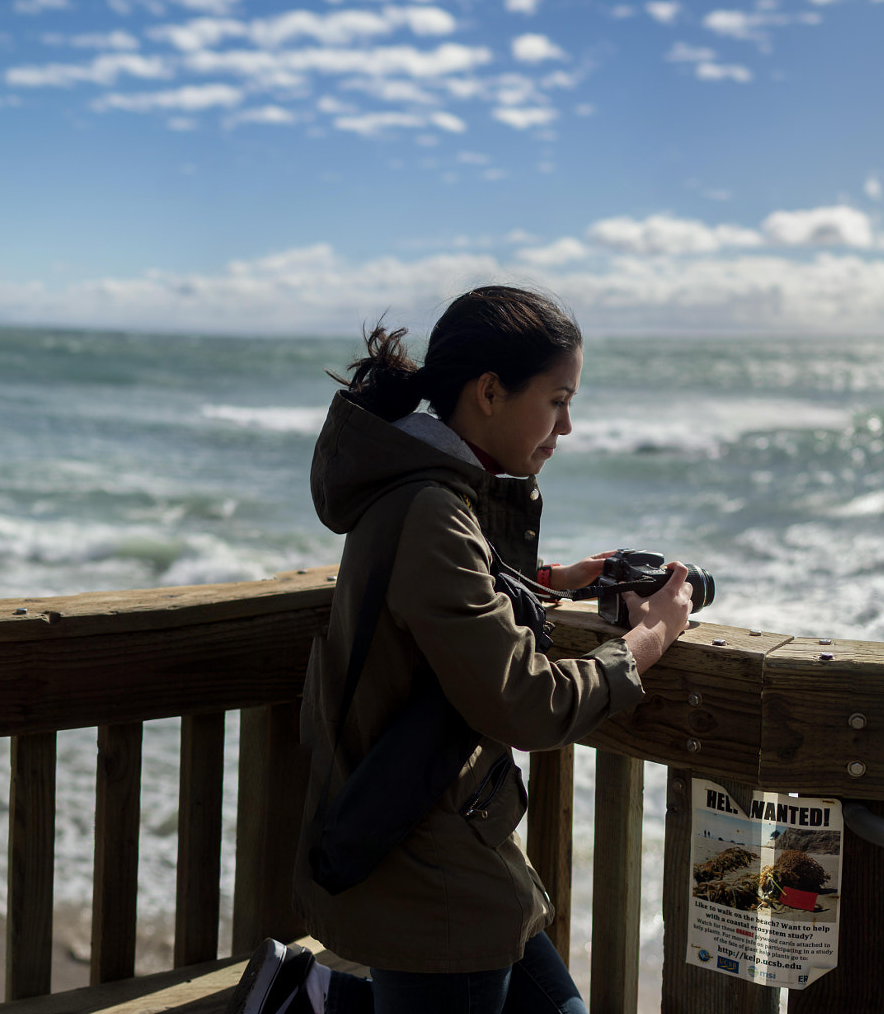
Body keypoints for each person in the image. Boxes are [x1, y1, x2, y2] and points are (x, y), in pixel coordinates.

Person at [228, 285, 696, 1014]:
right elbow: (527, 704)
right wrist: (651, 636)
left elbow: (439, 611)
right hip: (433, 869)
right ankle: (303, 1000)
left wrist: (544, 581)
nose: (567, 426)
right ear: (488, 392)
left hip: (444, 837)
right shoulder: (433, 509)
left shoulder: (418, 486)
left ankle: (302, 995)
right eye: (556, 399)